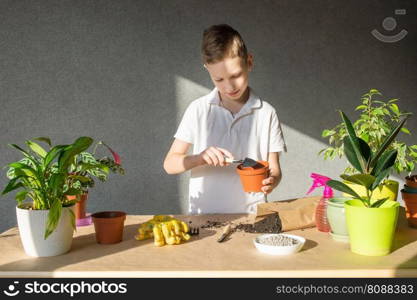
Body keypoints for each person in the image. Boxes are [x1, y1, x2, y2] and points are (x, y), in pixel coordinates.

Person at [163, 24, 286, 214]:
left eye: (235, 75)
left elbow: (275, 170)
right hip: (203, 218)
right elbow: (170, 164)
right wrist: (200, 158)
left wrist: (272, 182)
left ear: (249, 62)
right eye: (219, 79)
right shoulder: (198, 109)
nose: (229, 86)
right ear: (208, 70)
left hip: (253, 216)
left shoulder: (267, 113)